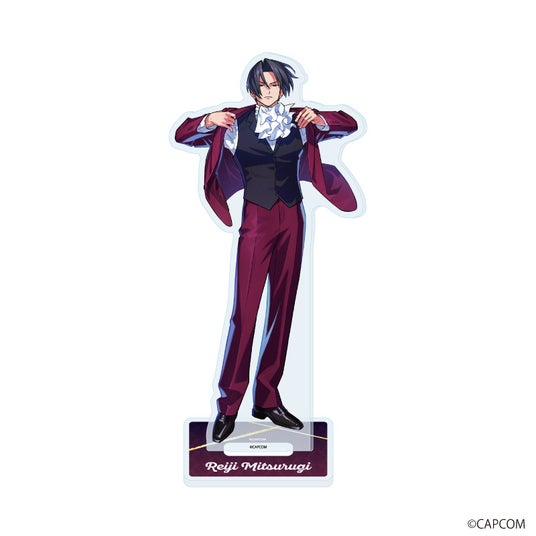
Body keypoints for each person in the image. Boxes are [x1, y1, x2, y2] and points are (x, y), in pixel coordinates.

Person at [174, 57, 359, 442]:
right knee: (244, 312)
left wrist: (319, 118)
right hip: (256, 221)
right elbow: (182, 134)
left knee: (282, 309)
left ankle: (267, 399)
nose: (269, 92)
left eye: (274, 85)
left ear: (283, 88)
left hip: (293, 218)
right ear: (252, 89)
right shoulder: (235, 123)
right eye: (262, 86)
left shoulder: (298, 120)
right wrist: (207, 120)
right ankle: (228, 406)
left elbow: (349, 124)